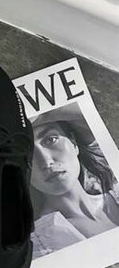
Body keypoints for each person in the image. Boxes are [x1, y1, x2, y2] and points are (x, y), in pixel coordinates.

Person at [29, 104, 119, 257]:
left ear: (74, 144)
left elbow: (92, 113)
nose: (46, 161)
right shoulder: (41, 246)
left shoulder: (115, 194)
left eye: (51, 139)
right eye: (27, 154)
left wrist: (39, 115)